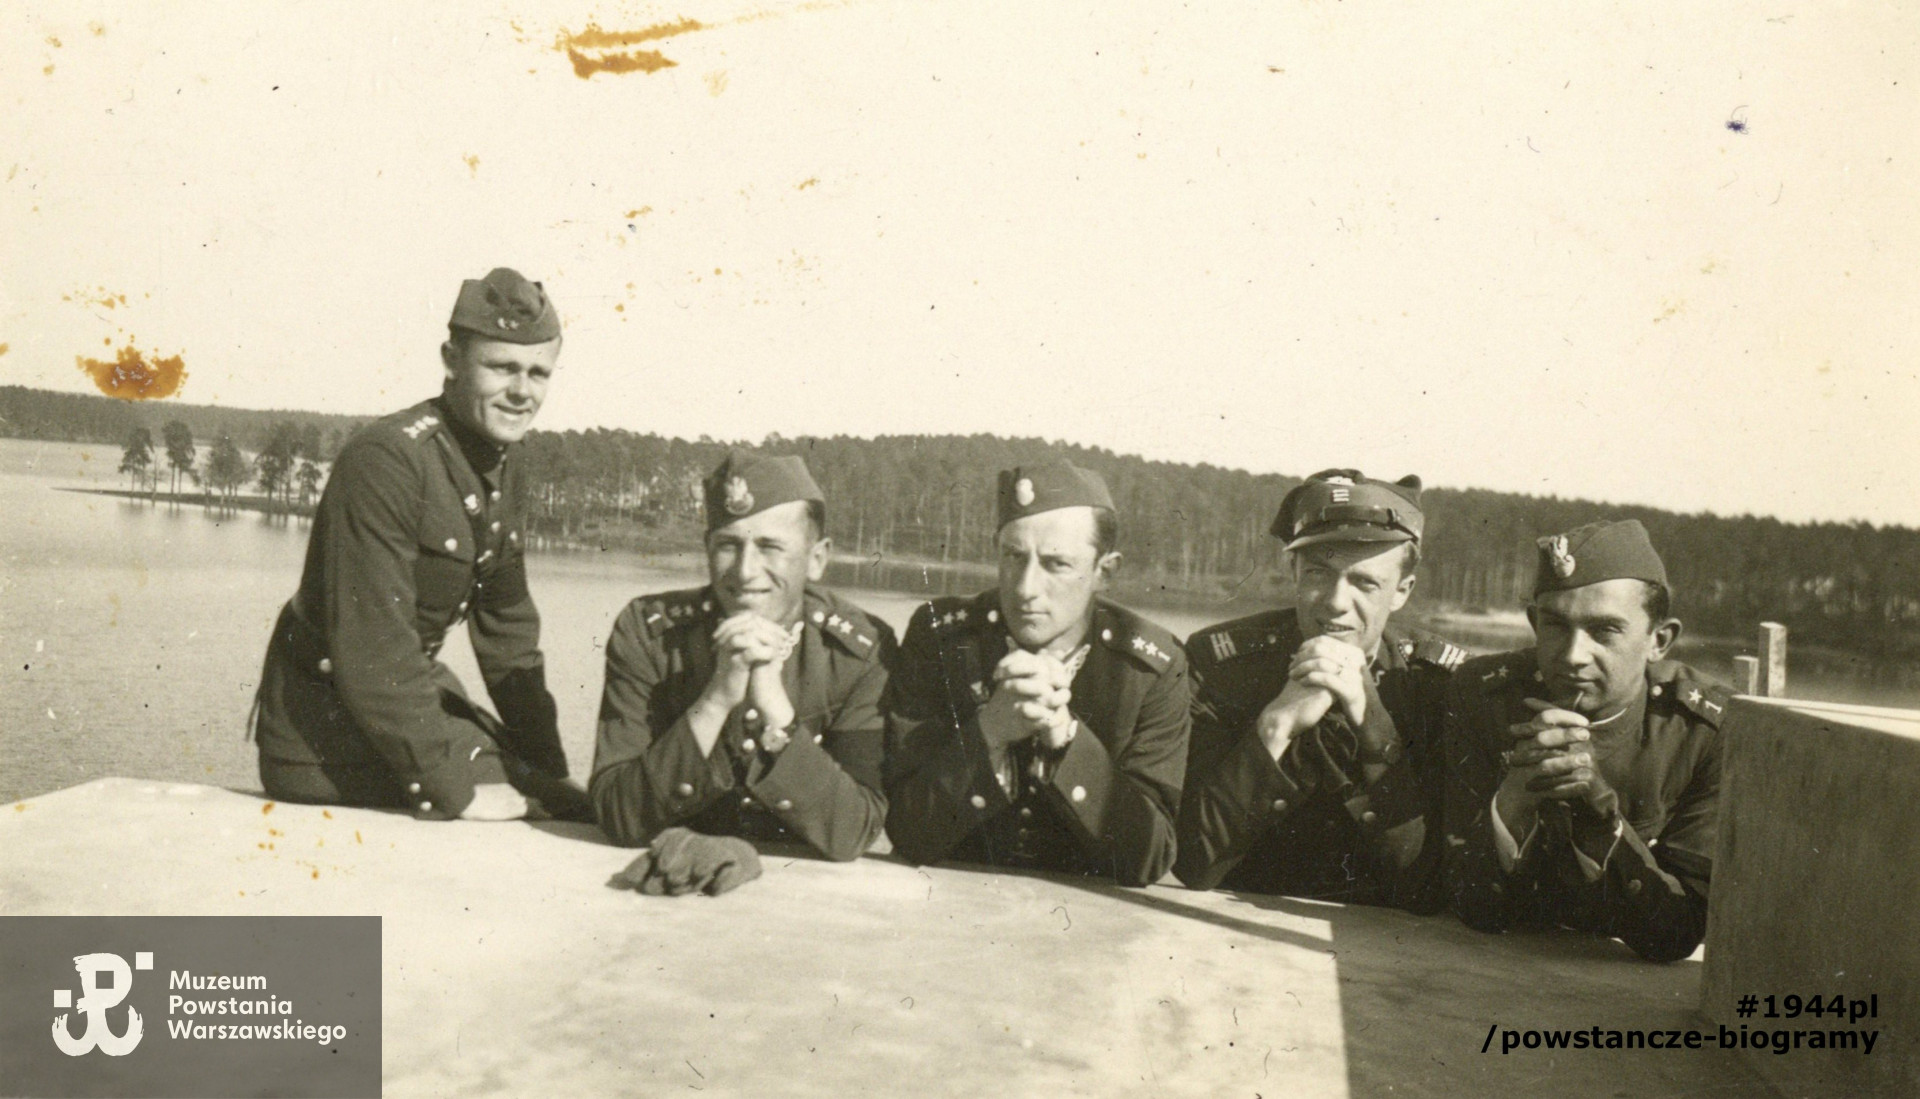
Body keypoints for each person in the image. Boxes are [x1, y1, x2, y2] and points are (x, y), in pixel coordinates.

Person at [252, 268, 586, 821]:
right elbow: (374, 647)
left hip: (397, 707)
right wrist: (455, 792)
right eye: (502, 367)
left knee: (559, 802)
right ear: (452, 360)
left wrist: (550, 769)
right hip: (321, 734)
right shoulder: (387, 462)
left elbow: (508, 633)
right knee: (513, 809)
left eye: (537, 373)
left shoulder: (508, 463)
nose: (522, 391)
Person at [883, 460, 1189, 886]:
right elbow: (907, 831)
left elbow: (1147, 860)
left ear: (1105, 572)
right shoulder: (941, 639)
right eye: (1013, 556)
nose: (1026, 588)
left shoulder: (1151, 668)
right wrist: (989, 731)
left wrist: (1065, 737)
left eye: (1056, 564)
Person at [1175, 469, 1466, 911]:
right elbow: (1193, 863)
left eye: (1365, 583)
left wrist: (1373, 724)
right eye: (1317, 573)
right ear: (1292, 571)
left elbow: (1423, 887)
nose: (1334, 602)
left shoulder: (1434, 685)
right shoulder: (1222, 666)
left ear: (1402, 590)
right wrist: (1275, 724)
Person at [591, 450, 894, 871]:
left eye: (770, 547)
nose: (745, 571)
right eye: (728, 546)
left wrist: (776, 709)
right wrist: (716, 699)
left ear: (817, 558)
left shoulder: (860, 650)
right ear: (706, 548)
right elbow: (617, 814)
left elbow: (854, 831)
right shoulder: (648, 633)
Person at [1444, 519, 1728, 963]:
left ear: (1659, 640)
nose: (1574, 655)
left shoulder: (1701, 730)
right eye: (1556, 626)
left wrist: (1597, 804)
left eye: (1604, 631)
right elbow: (1467, 903)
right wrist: (1514, 800)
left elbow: (1677, 933)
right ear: (1535, 623)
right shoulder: (1483, 696)